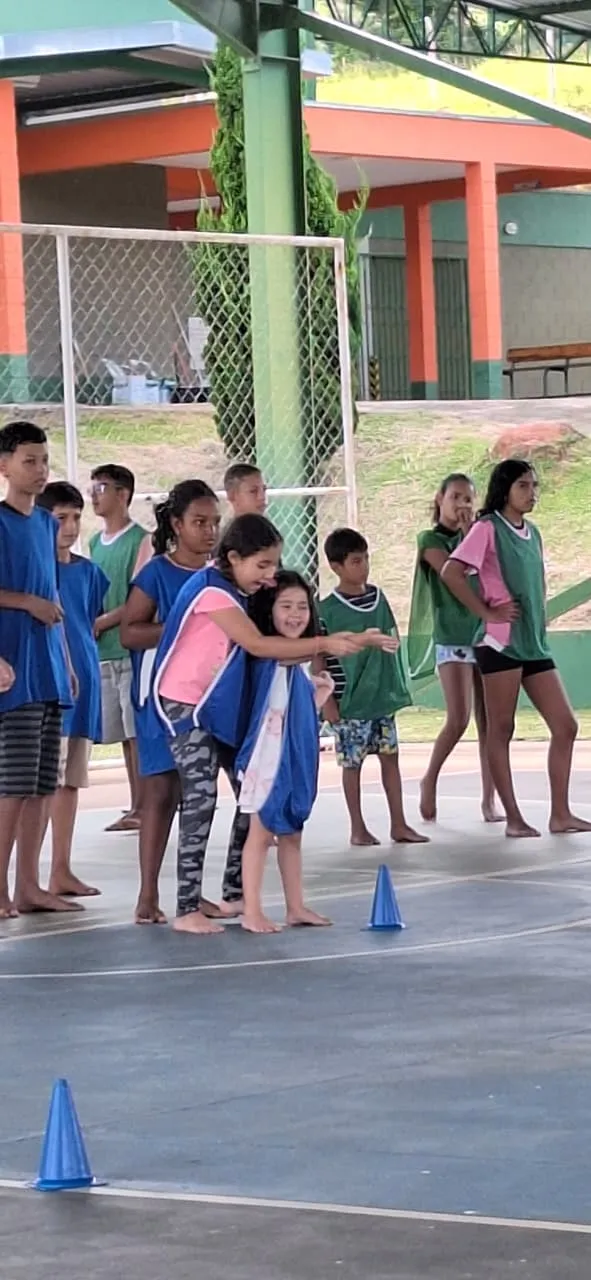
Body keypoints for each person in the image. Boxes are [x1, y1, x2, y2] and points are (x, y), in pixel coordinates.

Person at [151, 513, 386, 935]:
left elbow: (276, 648)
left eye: (274, 564)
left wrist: (350, 641)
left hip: (220, 706)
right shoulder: (212, 592)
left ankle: (235, 892)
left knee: (253, 796)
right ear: (233, 558)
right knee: (201, 799)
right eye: (262, 565)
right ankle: (187, 907)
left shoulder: (239, 591)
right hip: (187, 706)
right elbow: (259, 645)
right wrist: (324, 643)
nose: (270, 574)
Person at [442, 458, 591, 839]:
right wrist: (486, 611)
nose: (531, 492)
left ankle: (560, 814)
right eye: (523, 485)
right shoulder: (487, 528)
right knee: (502, 728)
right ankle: (512, 817)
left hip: (533, 644)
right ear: (504, 489)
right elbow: (451, 572)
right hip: (500, 643)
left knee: (566, 725)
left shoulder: (533, 533)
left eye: (534, 485)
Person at [120, 479, 221, 925]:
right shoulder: (156, 574)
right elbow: (129, 632)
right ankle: (147, 894)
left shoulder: (220, 574)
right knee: (160, 792)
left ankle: (191, 893)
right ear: (177, 524)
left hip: (206, 697)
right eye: (199, 522)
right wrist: (181, 627)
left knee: (197, 794)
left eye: (215, 522)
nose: (210, 530)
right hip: (160, 697)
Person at [0, 420, 77, 917]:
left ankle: (29, 884)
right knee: (12, 783)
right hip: (14, 670)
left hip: (47, 667)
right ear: (4, 466)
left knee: (43, 782)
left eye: (45, 460)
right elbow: (34, 598)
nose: (40, 469)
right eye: (29, 460)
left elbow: (52, 599)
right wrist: (26, 602)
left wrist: (65, 662)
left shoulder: (47, 525)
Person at [237, 571, 335, 934]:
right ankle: (251, 909)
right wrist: (343, 642)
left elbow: (292, 706)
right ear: (269, 610)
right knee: (261, 833)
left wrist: (316, 696)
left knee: (292, 831)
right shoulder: (268, 654)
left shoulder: (297, 663)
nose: (296, 615)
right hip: (267, 756)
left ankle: (296, 906)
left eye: (302, 607)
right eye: (286, 606)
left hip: (291, 754)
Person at [319, 527, 428, 848]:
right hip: (350, 701)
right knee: (352, 764)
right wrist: (329, 701)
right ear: (336, 566)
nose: (364, 566)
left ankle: (399, 823)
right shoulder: (326, 609)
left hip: (381, 698)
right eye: (356, 561)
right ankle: (358, 827)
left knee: (390, 758)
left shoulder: (378, 597)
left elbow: (391, 639)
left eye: (366, 559)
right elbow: (319, 656)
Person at [408, 472, 501, 825]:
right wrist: (466, 535)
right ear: (440, 499)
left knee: (489, 720)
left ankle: (489, 799)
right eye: (455, 497)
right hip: (452, 636)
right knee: (459, 718)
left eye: (468, 499)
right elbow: (453, 573)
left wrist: (473, 534)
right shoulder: (430, 539)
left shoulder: (481, 534)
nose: (462, 504)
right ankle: (429, 778)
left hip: (484, 632)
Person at [36, 482, 109, 898]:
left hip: (85, 685)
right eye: (60, 518)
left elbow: (89, 619)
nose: (70, 526)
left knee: (71, 781)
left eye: (76, 517)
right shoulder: (36, 573)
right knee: (43, 781)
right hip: (51, 686)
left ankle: (61, 867)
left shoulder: (88, 572)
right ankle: (30, 872)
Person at [89, 463, 151, 832]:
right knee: (123, 736)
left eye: (102, 488)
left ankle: (146, 805)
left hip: (128, 650)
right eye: (93, 488)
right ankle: (134, 803)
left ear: (123, 494)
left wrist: (102, 622)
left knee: (136, 733)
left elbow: (138, 600)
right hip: (104, 652)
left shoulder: (141, 540)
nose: (94, 495)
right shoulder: (95, 543)